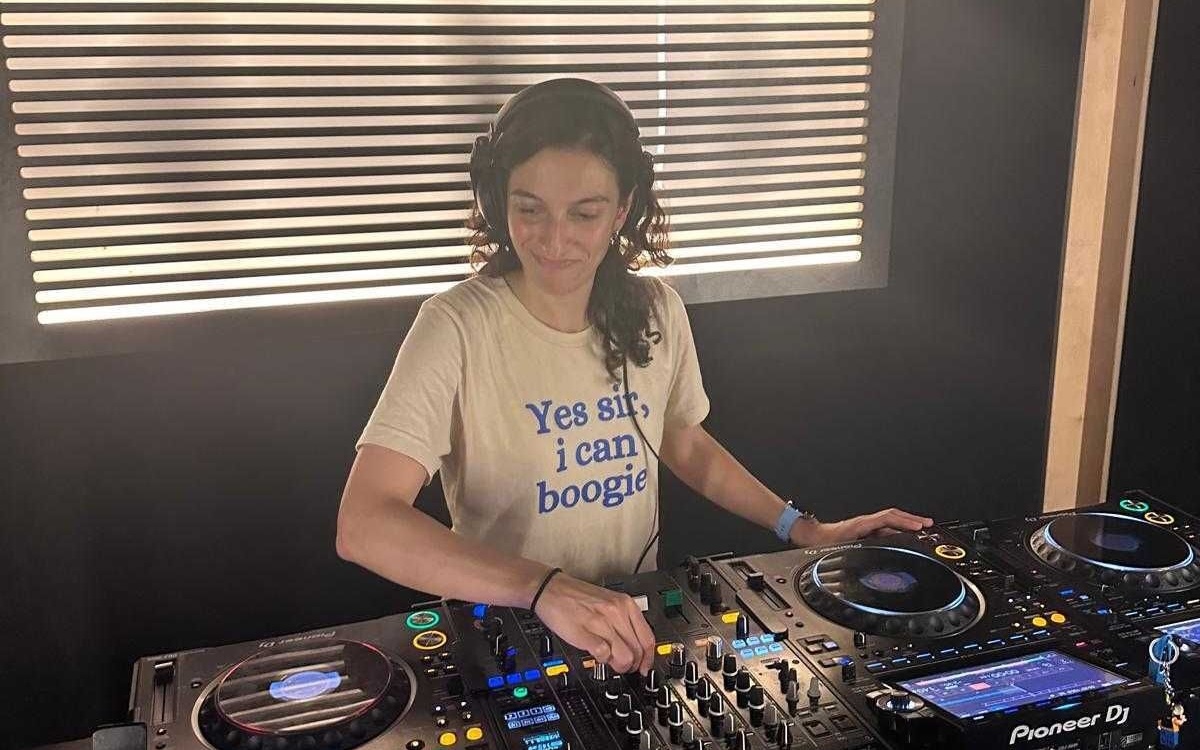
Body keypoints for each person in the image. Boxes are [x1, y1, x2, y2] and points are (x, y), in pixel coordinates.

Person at [336, 78, 932, 677]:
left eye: (585, 213)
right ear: (497, 203)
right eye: (529, 209)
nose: (555, 239)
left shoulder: (657, 311)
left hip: (628, 630)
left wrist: (803, 529)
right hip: (509, 632)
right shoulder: (455, 326)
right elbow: (364, 523)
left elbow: (685, 443)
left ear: (622, 210)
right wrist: (544, 589)